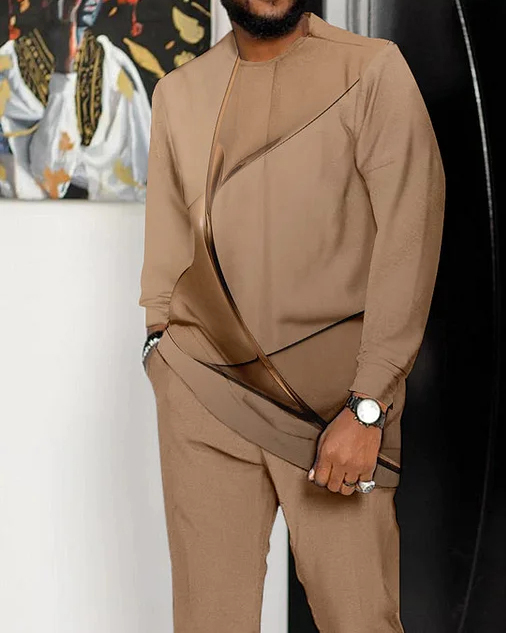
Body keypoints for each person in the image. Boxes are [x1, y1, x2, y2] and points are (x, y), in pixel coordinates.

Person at [138, 2, 445, 631]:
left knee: (358, 620)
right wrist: (159, 348)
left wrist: (369, 405)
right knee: (208, 623)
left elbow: (409, 239)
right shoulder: (179, 93)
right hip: (203, 395)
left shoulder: (373, 70)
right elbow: (169, 242)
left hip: (335, 409)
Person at [0, 0, 150, 200]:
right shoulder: (8, 68)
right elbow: (51, 179)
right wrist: (64, 72)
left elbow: (142, 173)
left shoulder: (115, 66)